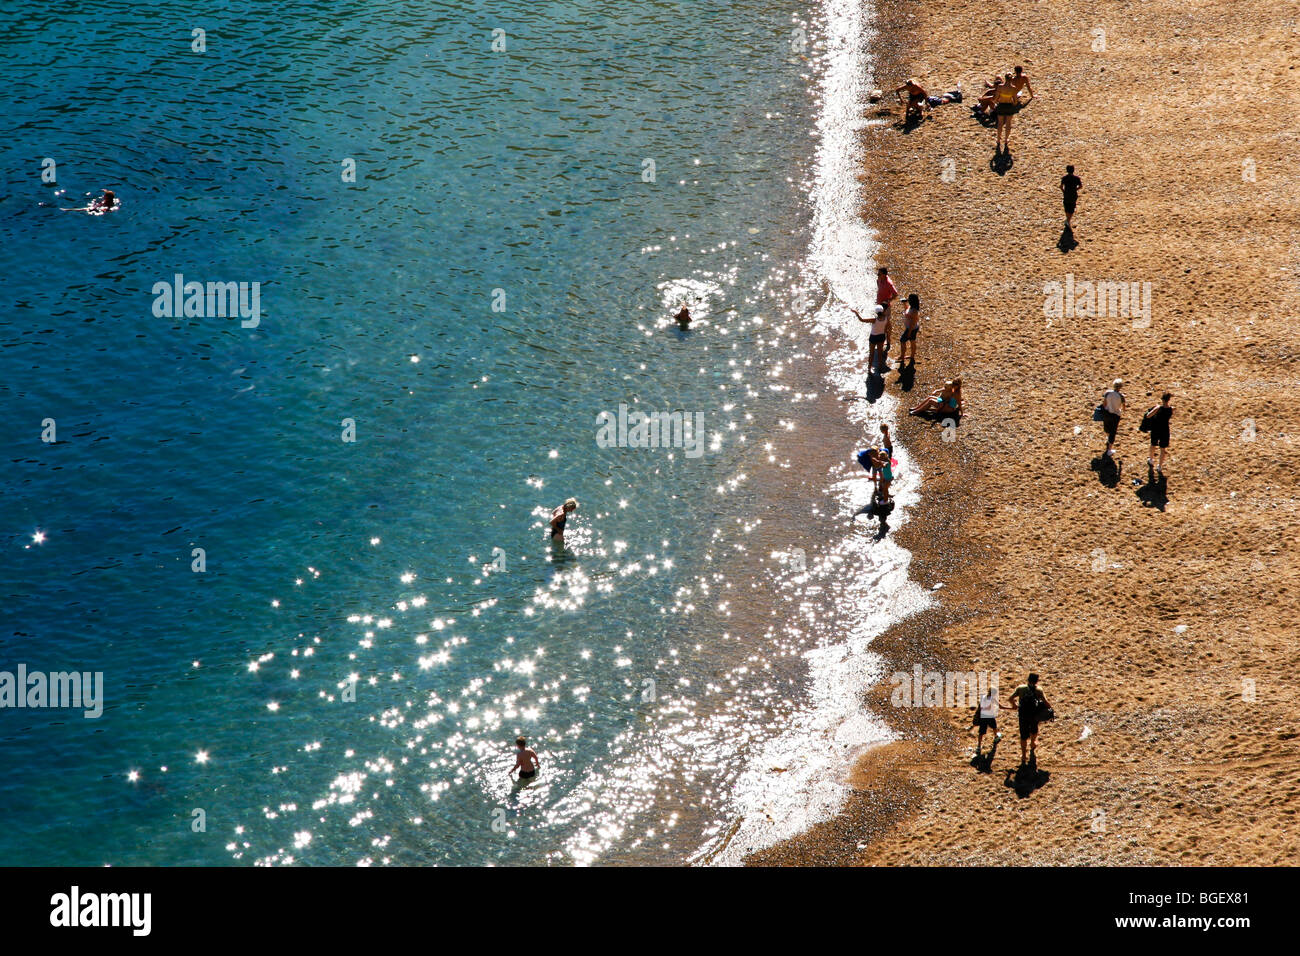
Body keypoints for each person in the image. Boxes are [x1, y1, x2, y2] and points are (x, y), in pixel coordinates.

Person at [1008, 673, 1050, 765]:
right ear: (1036, 681)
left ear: (1028, 679)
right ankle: (1032, 743)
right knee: (1034, 730)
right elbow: (1045, 702)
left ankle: (1023, 756)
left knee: (1023, 735)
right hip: (1034, 715)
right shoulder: (1039, 690)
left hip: (1023, 715)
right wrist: (1050, 709)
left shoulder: (1021, 688)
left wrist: (1015, 706)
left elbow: (1010, 698)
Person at [850, 304, 890, 375]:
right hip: (881, 336)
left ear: (876, 312)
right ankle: (880, 367)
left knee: (871, 353)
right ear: (882, 311)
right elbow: (887, 328)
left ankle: (869, 369)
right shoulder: (886, 319)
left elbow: (861, 320)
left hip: (873, 337)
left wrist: (856, 312)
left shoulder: (874, 320)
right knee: (880, 353)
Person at [1143, 391, 1174, 473]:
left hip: (1156, 428)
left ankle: (1151, 459)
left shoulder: (1158, 408)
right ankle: (1160, 466)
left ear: (1162, 399)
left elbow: (1148, 415)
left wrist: (1154, 408)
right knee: (1163, 449)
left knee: (1153, 444)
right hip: (1165, 429)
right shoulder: (1171, 409)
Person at [992, 72, 1020, 152]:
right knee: (1008, 123)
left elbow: (996, 98)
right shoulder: (1013, 88)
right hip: (1009, 106)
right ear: (1011, 79)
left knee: (1000, 123)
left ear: (1005, 78)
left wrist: (995, 102)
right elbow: (1015, 101)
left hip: (1001, 105)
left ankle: (998, 139)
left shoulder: (1000, 87)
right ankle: (1006, 139)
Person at [1100, 378, 1125, 457]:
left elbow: (1104, 404)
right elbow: (1123, 408)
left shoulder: (1107, 393)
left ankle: (1108, 439)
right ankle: (1109, 450)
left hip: (1107, 413)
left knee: (1107, 428)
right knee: (1113, 432)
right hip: (1115, 415)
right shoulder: (1121, 396)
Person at [975, 687, 1002, 755]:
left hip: (983, 716)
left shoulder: (983, 697)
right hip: (990, 716)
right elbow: (1001, 706)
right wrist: (1011, 708)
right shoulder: (992, 699)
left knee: (981, 732)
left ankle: (978, 747)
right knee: (994, 727)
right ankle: (996, 737)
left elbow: (979, 707)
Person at [898, 293, 921, 366]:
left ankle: (902, 356)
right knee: (912, 341)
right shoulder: (911, 307)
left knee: (902, 340)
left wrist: (909, 332)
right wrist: (904, 304)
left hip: (911, 328)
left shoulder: (914, 311)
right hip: (911, 328)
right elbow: (907, 310)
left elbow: (913, 323)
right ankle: (912, 356)